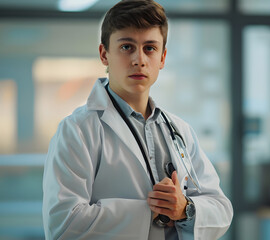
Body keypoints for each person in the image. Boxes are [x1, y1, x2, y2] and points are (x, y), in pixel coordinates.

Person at [42, 0, 233, 239]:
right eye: (126, 47)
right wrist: (152, 211)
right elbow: (62, 224)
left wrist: (185, 209)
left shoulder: (179, 130)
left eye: (150, 48)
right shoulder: (77, 130)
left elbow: (221, 209)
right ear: (104, 54)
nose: (139, 60)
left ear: (162, 58)